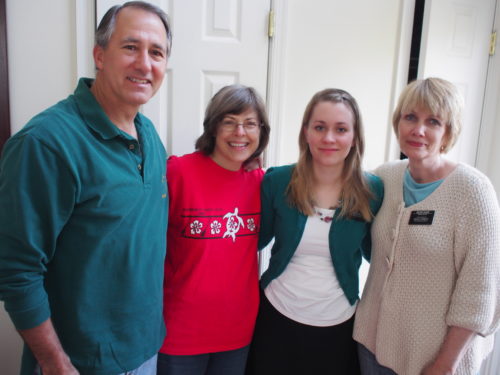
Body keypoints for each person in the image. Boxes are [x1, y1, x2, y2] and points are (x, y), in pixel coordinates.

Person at [0, 2, 172, 375]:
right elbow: (15, 270)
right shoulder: (45, 144)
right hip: (78, 363)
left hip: (144, 350)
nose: (145, 64)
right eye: (130, 47)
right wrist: (54, 363)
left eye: (156, 52)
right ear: (99, 55)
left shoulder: (150, 137)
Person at [354, 77, 500, 375]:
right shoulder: (385, 178)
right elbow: (337, 193)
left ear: (448, 132)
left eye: (432, 121)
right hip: (372, 345)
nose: (418, 130)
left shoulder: (473, 191)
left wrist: (446, 364)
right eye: (410, 117)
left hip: (435, 358)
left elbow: (481, 291)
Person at [245, 88, 384, 375]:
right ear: (306, 132)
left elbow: (380, 255)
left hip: (338, 325)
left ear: (355, 137)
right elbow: (250, 242)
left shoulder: (372, 190)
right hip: (275, 317)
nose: (329, 138)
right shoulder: (277, 181)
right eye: (320, 127)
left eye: (341, 129)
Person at [157, 84, 270, 375]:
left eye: (249, 124)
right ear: (213, 127)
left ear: (261, 131)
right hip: (179, 333)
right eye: (229, 122)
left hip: (237, 331)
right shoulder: (177, 173)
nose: (240, 133)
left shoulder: (263, 183)